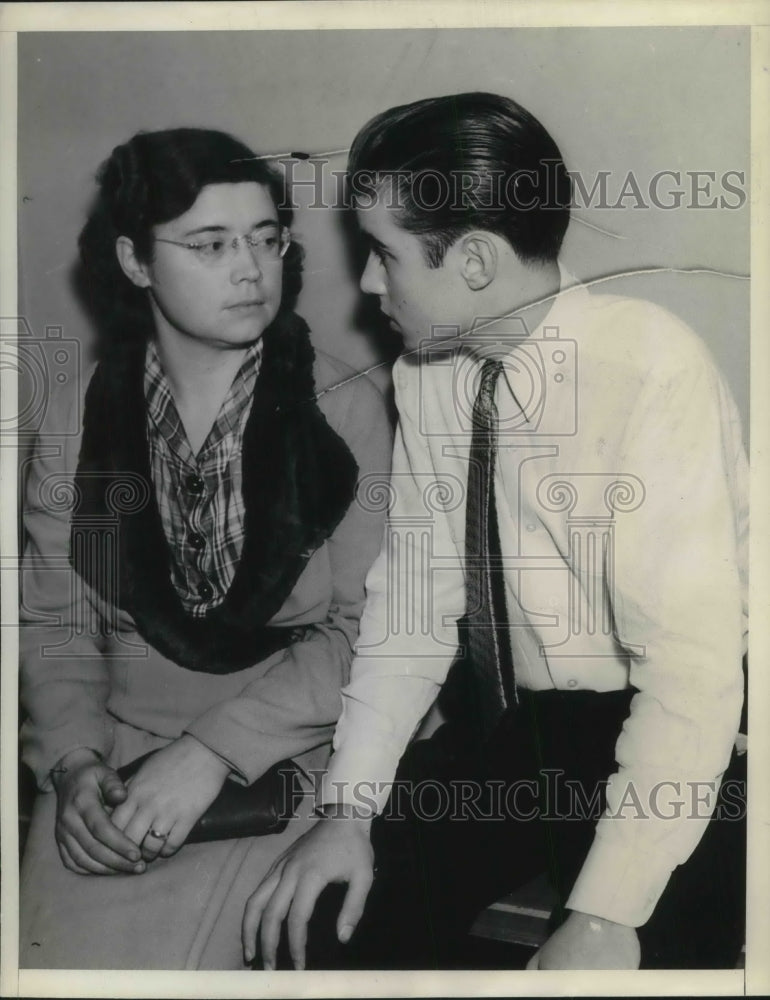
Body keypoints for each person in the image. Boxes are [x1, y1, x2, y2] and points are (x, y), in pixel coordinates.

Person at [242, 93, 749, 971]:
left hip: (694, 743)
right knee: (321, 919)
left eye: (384, 252)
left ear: (474, 260)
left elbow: (690, 676)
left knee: (640, 966)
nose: (368, 284)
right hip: (528, 733)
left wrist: (604, 916)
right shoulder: (430, 372)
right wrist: (348, 809)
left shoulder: (650, 365)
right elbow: (412, 611)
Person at [18, 127, 392, 969]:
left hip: (285, 755)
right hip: (113, 757)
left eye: (266, 238)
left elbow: (365, 632)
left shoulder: (344, 410)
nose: (251, 270)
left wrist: (210, 752)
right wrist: (74, 765)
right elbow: (56, 624)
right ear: (135, 261)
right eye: (211, 244)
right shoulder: (77, 417)